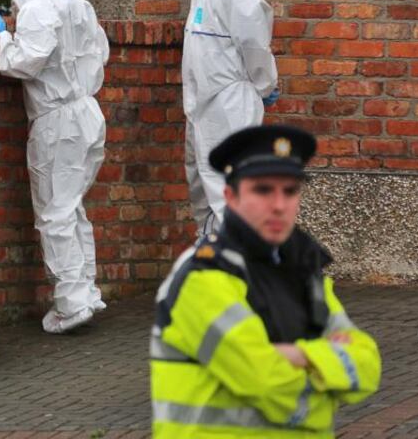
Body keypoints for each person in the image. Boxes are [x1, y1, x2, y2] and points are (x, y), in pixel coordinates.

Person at [149, 125, 381, 438]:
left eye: (290, 191)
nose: (279, 205)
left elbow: (368, 364)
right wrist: (325, 363)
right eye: (262, 190)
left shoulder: (304, 269)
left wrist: (295, 356)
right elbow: (265, 381)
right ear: (230, 196)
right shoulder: (203, 277)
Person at [0, 0, 110, 334]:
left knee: (55, 211)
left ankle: (72, 303)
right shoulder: (79, 6)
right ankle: (85, 289)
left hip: (57, 120)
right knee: (72, 208)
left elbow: (26, 63)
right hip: (88, 110)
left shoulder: (37, 11)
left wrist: (2, 40)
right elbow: (100, 52)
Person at [180, 0, 279, 236]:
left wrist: (265, 84)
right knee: (204, 193)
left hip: (229, 105)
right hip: (203, 106)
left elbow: (254, 45)